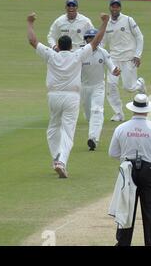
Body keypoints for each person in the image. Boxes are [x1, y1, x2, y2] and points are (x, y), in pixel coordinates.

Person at [27, 12, 110, 178]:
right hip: (71, 97)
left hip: (53, 97)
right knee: (67, 131)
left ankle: (56, 158)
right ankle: (61, 161)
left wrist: (30, 23)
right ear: (71, 46)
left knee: (53, 129)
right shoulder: (77, 55)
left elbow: (33, 41)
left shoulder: (51, 55)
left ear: (58, 45)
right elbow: (96, 42)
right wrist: (105, 22)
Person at [108, 94, 151, 246]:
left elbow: (113, 153)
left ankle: (122, 243)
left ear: (133, 109)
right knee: (150, 211)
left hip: (128, 171)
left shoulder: (121, 128)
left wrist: (126, 157)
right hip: (149, 170)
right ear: (147, 110)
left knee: (126, 210)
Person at [103, 0, 146, 122]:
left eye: (117, 7)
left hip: (129, 58)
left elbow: (139, 36)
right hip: (113, 60)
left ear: (120, 8)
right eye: (113, 7)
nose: (115, 9)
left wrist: (138, 55)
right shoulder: (107, 23)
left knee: (129, 88)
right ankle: (118, 113)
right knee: (111, 86)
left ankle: (140, 84)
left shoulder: (128, 20)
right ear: (110, 8)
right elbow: (102, 42)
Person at [81, 29, 121, 151]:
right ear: (86, 39)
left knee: (97, 110)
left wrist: (115, 70)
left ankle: (93, 139)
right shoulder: (81, 53)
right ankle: (94, 128)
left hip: (98, 86)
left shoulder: (103, 52)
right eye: (90, 38)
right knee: (89, 115)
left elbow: (111, 65)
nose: (93, 40)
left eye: (95, 37)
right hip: (84, 87)